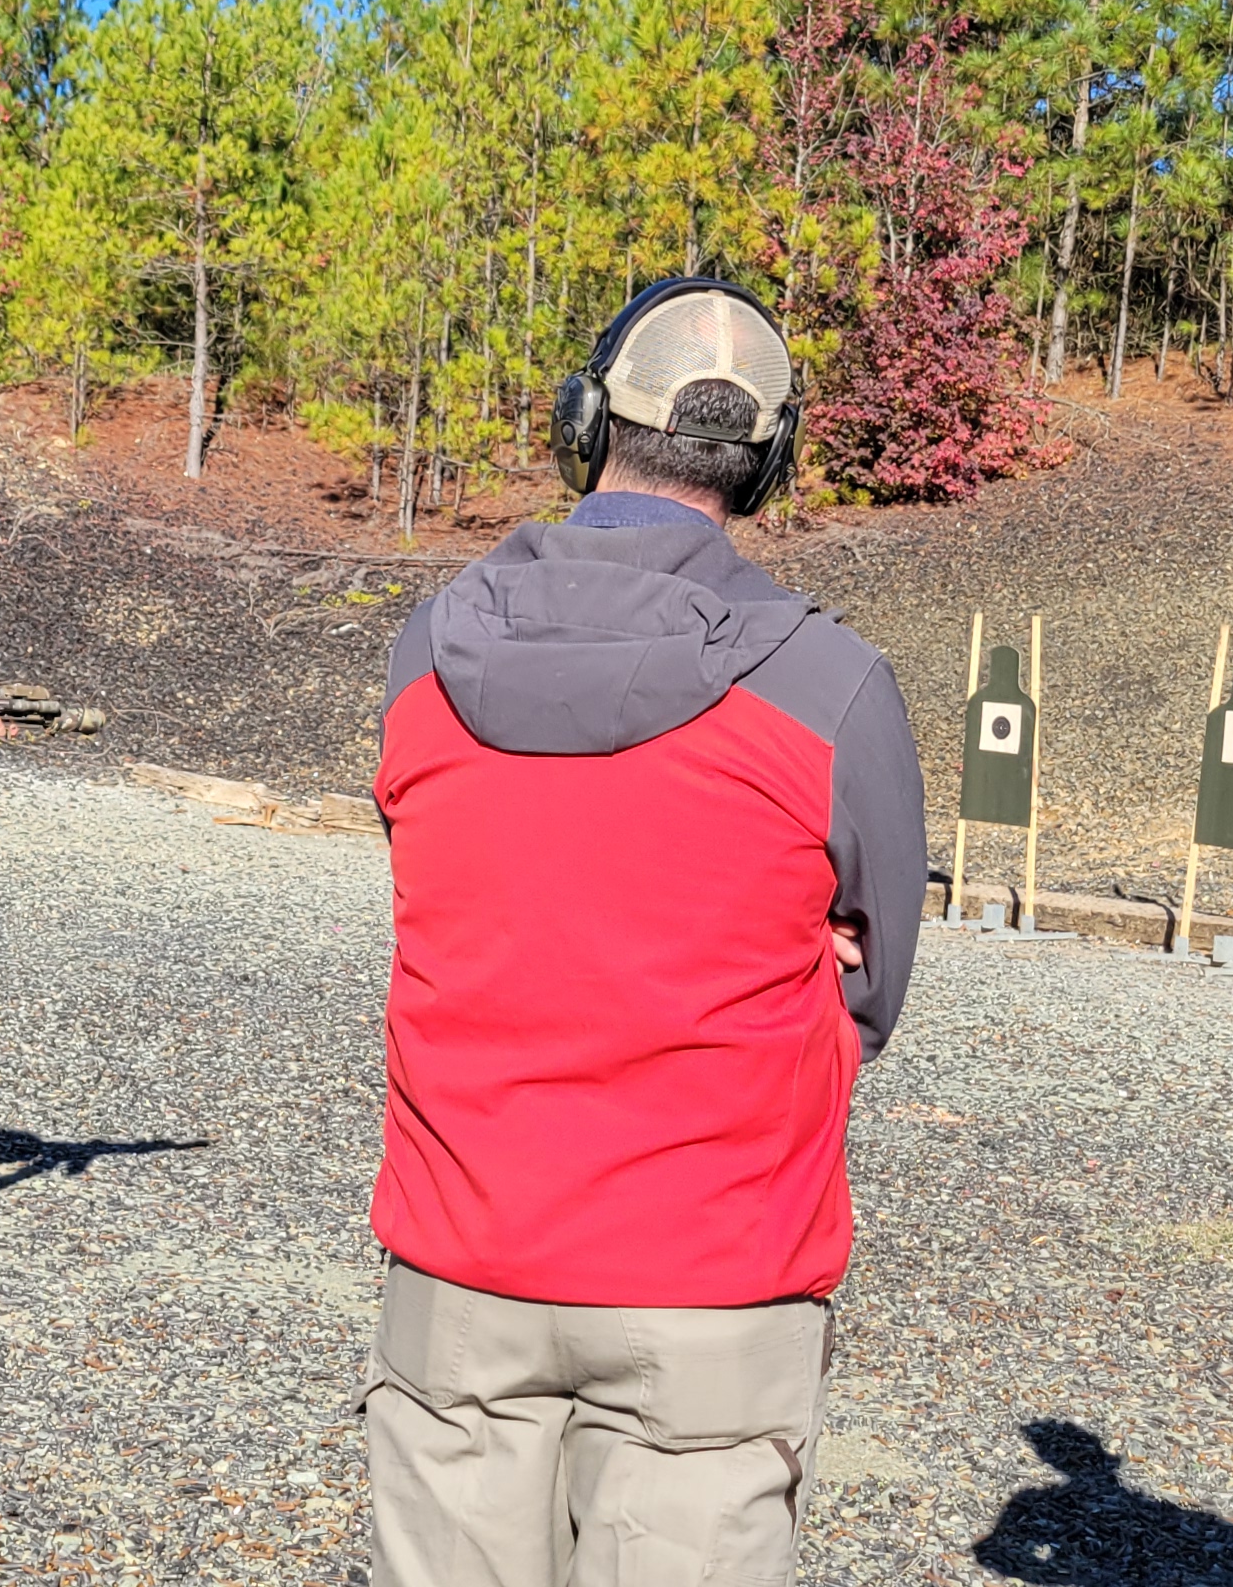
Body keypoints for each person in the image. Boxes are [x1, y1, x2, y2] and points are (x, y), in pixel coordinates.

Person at [361, 280, 921, 1584]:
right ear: (768, 463)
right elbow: (874, 985)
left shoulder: (425, 653)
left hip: (460, 1266)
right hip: (716, 1279)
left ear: (584, 424)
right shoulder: (833, 686)